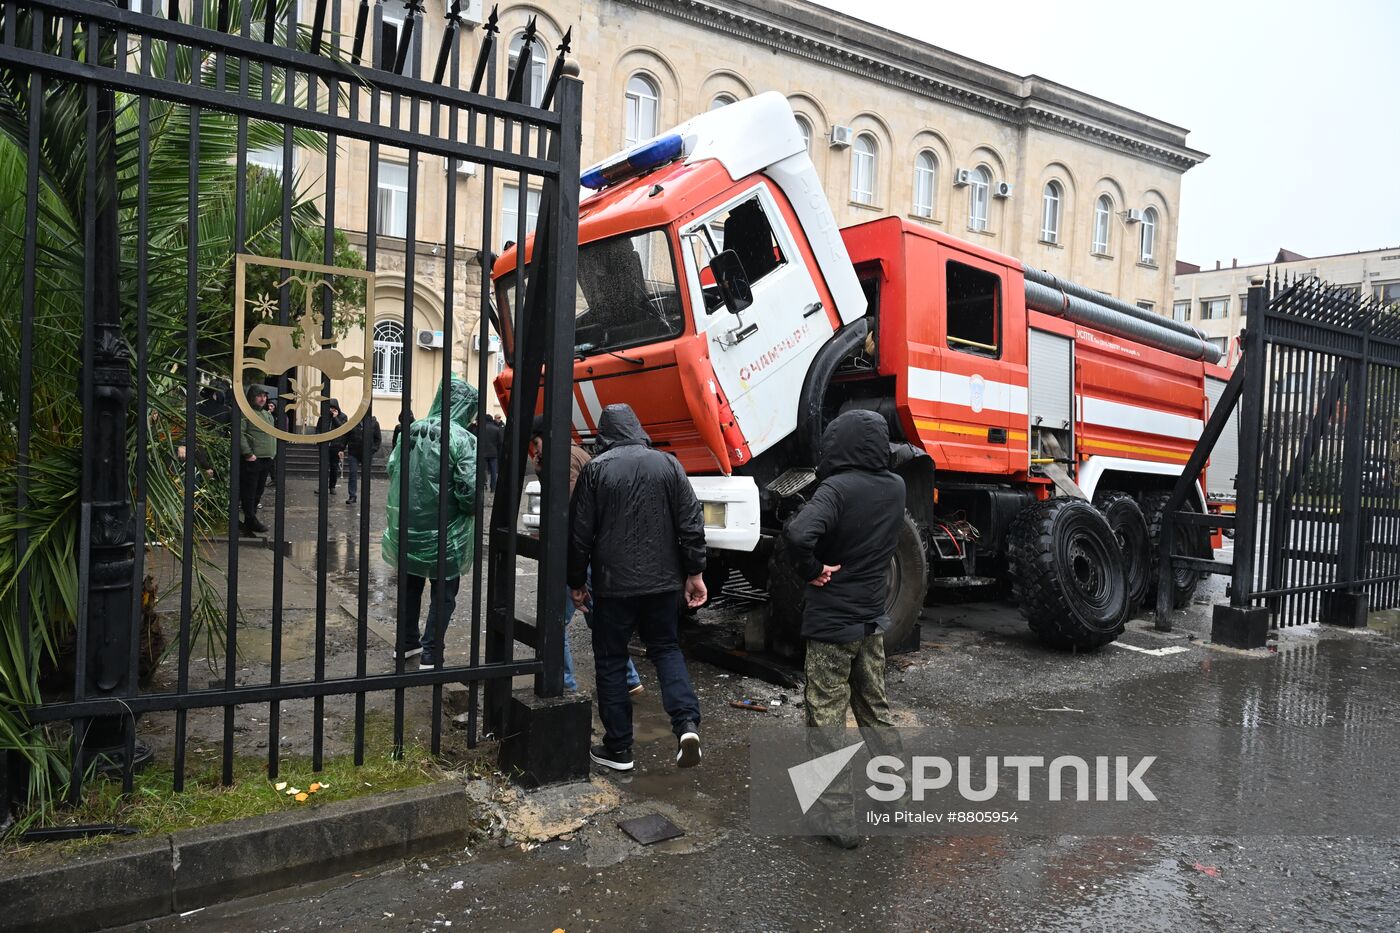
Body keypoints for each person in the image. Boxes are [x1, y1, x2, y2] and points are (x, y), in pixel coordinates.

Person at [782, 409, 905, 849]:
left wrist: (812, 570)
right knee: (876, 710)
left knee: (826, 718)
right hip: (871, 623)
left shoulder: (835, 489)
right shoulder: (896, 487)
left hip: (832, 626)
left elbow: (798, 535)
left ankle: (838, 819)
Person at [568, 403, 706, 773]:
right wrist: (694, 571)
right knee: (665, 648)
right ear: (638, 428)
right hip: (663, 584)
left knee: (612, 661)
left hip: (614, 586)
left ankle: (619, 750)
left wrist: (576, 581)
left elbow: (580, 533)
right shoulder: (669, 464)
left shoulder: (596, 470)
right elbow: (691, 521)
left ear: (604, 435)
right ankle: (687, 725)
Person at [528, 416, 641, 696]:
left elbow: (568, 506)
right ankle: (629, 678)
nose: (534, 450)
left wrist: (553, 536)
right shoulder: (575, 453)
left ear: (544, 436)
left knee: (554, 621)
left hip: (575, 553)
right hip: (589, 550)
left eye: (535, 443)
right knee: (598, 619)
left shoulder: (564, 457)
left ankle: (564, 684)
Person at [382, 376, 478, 667]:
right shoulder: (462, 438)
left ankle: (406, 643)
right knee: (443, 592)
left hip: (407, 527)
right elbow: (470, 489)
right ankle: (431, 652)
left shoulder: (410, 430)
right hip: (446, 532)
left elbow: (392, 468)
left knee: (410, 584)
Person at [239, 385, 277, 535]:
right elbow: (240, 433)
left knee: (258, 491)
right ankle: (250, 518)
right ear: (252, 397)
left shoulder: (267, 415)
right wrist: (248, 453)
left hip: (266, 458)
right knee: (250, 490)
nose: (263, 399)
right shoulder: (246, 413)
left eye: (264, 396)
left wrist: (273, 453)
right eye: (259, 396)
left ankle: (250, 518)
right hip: (253, 459)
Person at [344, 412, 382, 504]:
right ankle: (352, 495)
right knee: (352, 473)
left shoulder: (374, 423)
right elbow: (346, 436)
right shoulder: (353, 422)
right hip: (353, 452)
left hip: (367, 453)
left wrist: (373, 449)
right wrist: (342, 448)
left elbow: (378, 439)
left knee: (366, 475)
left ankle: (365, 495)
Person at [317, 399, 348, 496]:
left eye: (333, 408)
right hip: (325, 445)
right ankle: (322, 487)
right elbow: (318, 428)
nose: (331, 410)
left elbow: (342, 429)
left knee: (334, 467)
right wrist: (319, 441)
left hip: (336, 445)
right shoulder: (323, 417)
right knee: (323, 467)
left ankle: (332, 487)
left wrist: (335, 418)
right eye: (330, 408)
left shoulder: (343, 416)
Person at [476, 413, 502, 493]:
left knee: (483, 470)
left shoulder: (480, 429)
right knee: (494, 472)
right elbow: (500, 442)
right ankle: (493, 488)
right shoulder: (496, 429)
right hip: (493, 453)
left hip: (482, 453)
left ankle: (483, 486)